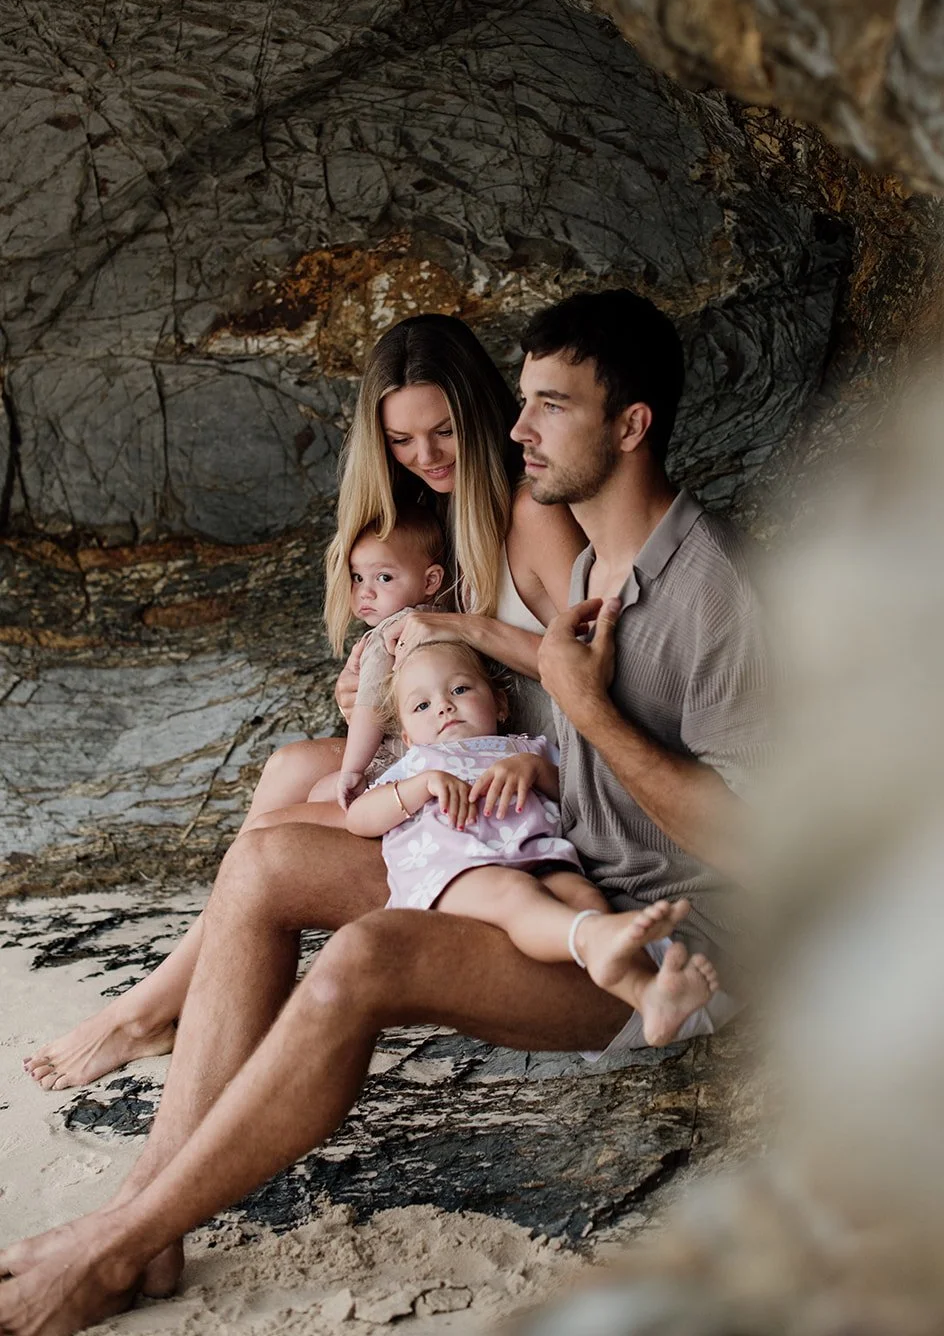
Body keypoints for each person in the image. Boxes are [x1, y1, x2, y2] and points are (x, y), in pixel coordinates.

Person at [0, 290, 770, 1335]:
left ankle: (109, 1249)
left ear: (629, 425)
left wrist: (575, 704)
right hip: (545, 849)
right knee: (266, 860)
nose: (515, 429)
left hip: (657, 939)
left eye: (548, 406)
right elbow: (556, 716)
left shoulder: (717, 593)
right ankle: (142, 1220)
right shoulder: (598, 560)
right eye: (521, 401)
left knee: (365, 958)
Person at [24, 315, 583, 1092]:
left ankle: (150, 1011)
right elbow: (436, 659)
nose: (425, 457)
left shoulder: (531, 510)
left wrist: (462, 629)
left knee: (270, 840)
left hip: (529, 765)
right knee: (290, 768)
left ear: (483, 416)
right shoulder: (432, 517)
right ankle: (166, 1003)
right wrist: (371, 693)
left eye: (444, 432)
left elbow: (588, 665)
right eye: (401, 440)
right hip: (458, 737)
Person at [349, 637, 718, 1046]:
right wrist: (420, 786)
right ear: (408, 737)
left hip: (540, 856)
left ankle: (648, 995)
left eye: (460, 689)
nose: (444, 707)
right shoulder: (416, 765)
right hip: (458, 872)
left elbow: (578, 796)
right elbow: (359, 817)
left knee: (584, 897)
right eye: (422, 706)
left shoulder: (528, 748)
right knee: (516, 894)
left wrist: (536, 769)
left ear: (500, 704)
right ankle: (590, 937)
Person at [320, 509, 446, 808]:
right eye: (357, 577)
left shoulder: (386, 636)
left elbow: (370, 707)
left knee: (320, 794)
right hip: (446, 750)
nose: (366, 592)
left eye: (384, 577)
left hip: (406, 758)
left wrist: (353, 770)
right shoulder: (444, 619)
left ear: (430, 581)